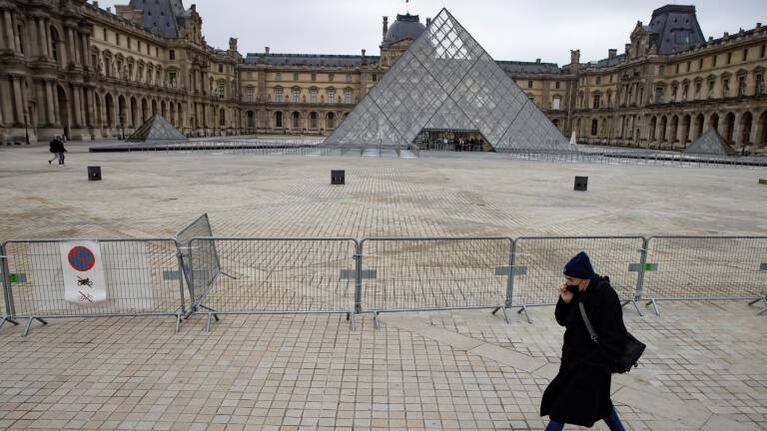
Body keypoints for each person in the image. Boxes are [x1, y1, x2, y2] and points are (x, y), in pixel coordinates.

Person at [540, 251, 628, 430]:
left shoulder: (605, 295)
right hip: (573, 360)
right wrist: (565, 302)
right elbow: (562, 320)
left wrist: (593, 363)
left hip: (593, 364)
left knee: (561, 408)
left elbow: (614, 335)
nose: (567, 283)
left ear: (584, 278)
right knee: (602, 406)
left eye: (571, 279)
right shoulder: (574, 290)